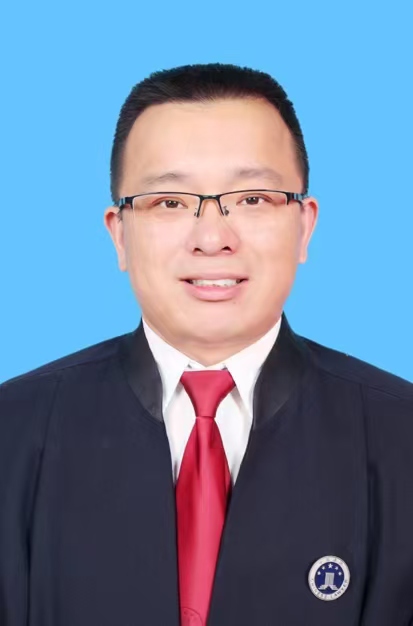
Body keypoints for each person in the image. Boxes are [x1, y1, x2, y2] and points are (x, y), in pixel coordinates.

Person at [0, 62, 412, 626]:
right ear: (119, 235)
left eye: (253, 198)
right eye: (169, 202)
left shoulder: (400, 436)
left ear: (304, 226)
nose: (213, 237)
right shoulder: (14, 432)